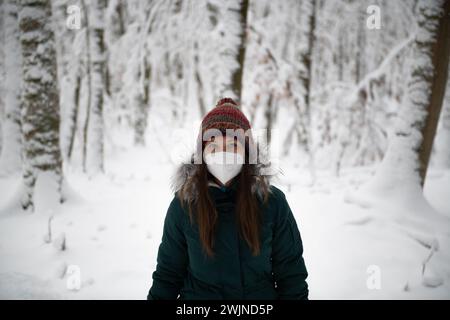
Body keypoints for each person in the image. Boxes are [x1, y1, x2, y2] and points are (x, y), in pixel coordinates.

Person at [147, 97, 308, 300]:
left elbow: (291, 275)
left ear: (247, 152)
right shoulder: (184, 205)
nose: (223, 154)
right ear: (202, 155)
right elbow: (168, 276)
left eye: (233, 145)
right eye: (213, 147)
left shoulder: (272, 202)